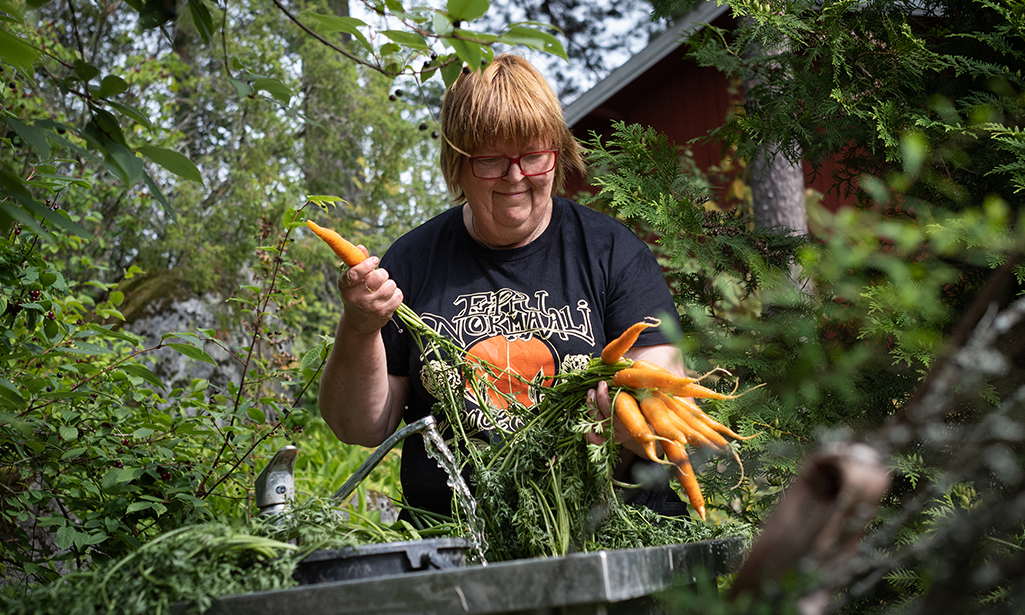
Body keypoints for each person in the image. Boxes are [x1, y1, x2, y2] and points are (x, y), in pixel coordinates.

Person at [318, 53, 690, 517]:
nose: (516, 177)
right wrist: (358, 328)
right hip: (457, 538)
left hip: (610, 525)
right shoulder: (412, 263)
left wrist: (625, 417)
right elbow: (358, 427)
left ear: (556, 154)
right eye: (491, 160)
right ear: (458, 164)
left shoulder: (611, 253)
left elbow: (660, 387)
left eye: (533, 155)